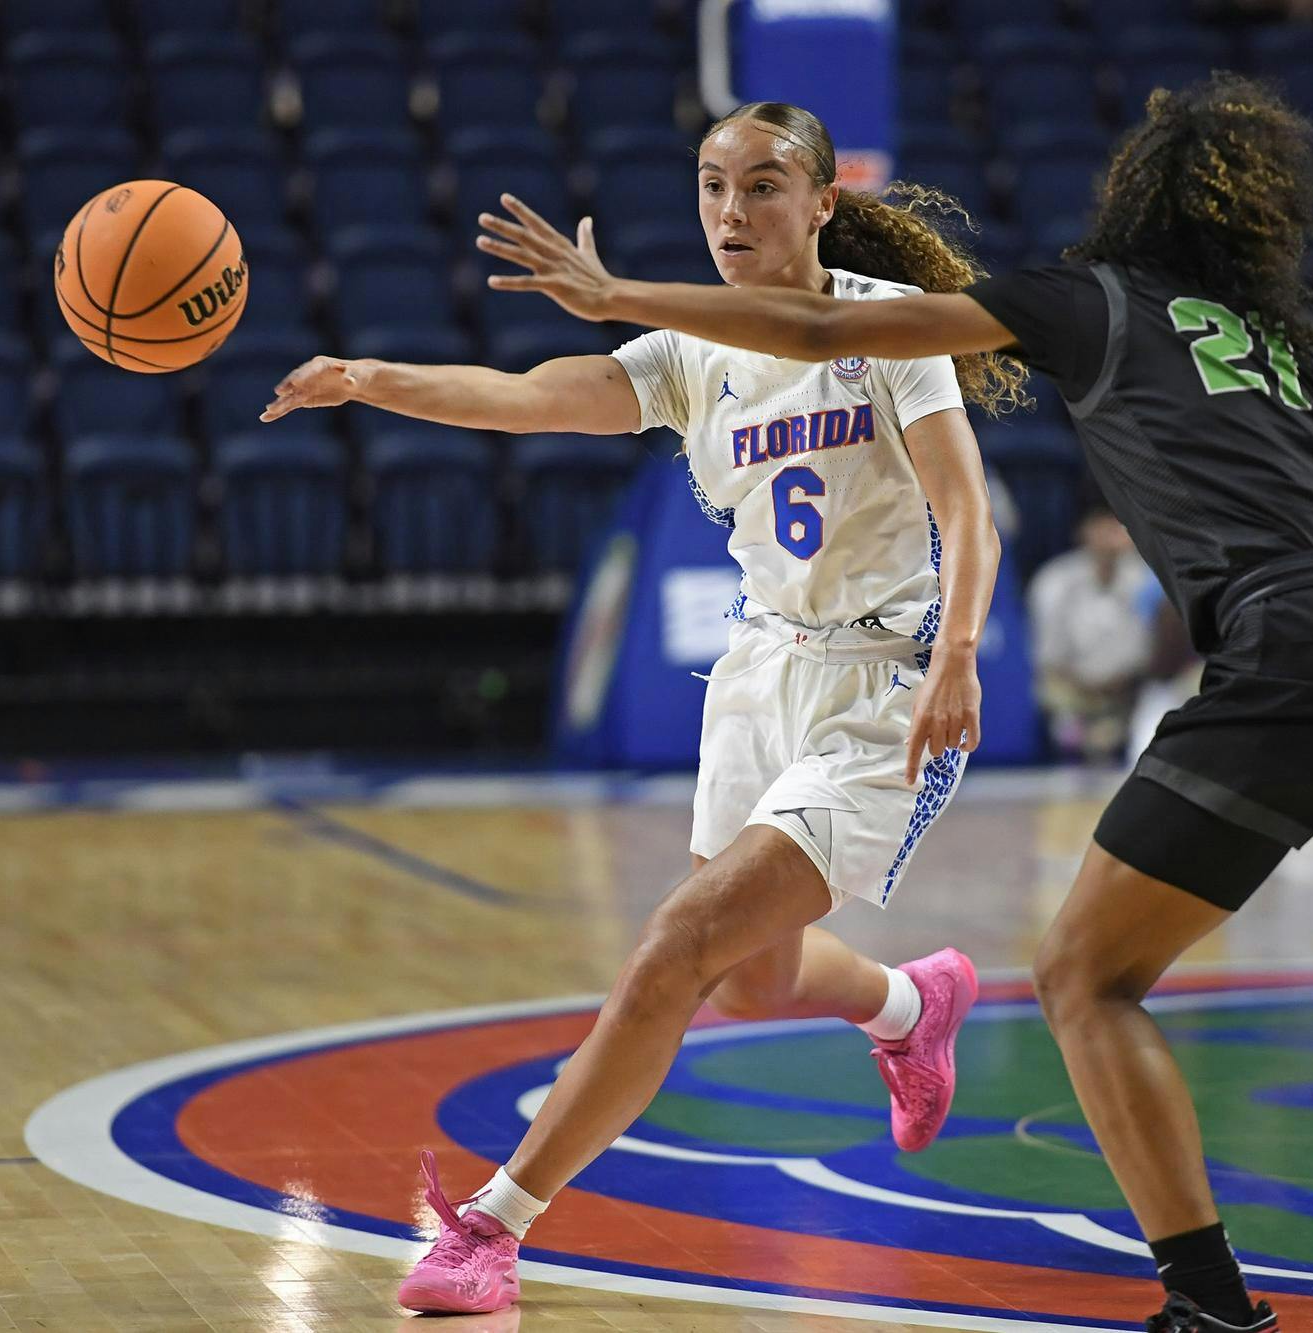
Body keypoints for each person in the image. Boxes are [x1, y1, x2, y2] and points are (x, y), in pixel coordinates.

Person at [478, 73, 1313, 1333]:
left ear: (1133, 200)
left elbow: (826, 336)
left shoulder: (1088, 299)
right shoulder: (1294, 333)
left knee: (1083, 977)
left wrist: (617, 296)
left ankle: (1209, 1304)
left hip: (1294, 642)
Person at [263, 101, 1028, 1315]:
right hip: (762, 674)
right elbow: (525, 395)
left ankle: (492, 1224)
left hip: (883, 685)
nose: (732, 212)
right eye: (712, 186)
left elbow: (965, 511)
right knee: (748, 985)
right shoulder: (687, 351)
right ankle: (910, 1001)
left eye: (764, 187)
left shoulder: (883, 332)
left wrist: (960, 656)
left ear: (823, 203)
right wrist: (369, 379)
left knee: (676, 946)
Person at [1029, 504, 1155, 763]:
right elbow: (1047, 657)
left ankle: (1124, 733)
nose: (1113, 537)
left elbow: (1153, 650)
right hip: (1074, 692)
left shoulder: (1148, 581)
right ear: (1085, 530)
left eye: (1120, 527)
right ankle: (1078, 738)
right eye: (1104, 526)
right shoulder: (1054, 580)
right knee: (1051, 693)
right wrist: (1085, 686)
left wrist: (1126, 681)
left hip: (1131, 693)